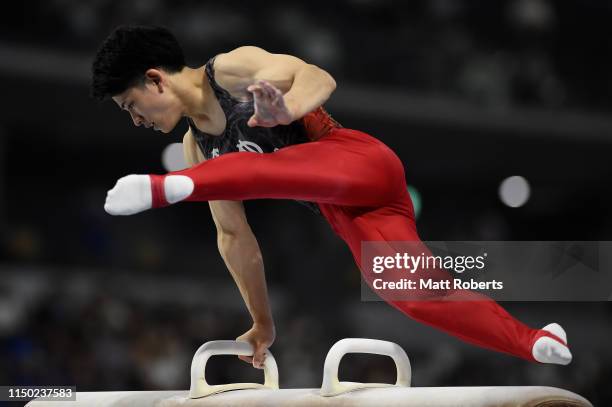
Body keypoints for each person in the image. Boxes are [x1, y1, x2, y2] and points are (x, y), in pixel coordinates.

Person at [92, 25, 572, 370]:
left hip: (356, 162)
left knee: (259, 171)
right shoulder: (198, 146)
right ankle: (536, 341)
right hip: (350, 211)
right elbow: (235, 238)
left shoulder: (231, 71)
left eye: (131, 106)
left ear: (156, 78)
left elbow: (317, 77)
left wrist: (287, 110)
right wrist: (263, 323)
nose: (136, 120)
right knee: (410, 292)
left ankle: (167, 190)